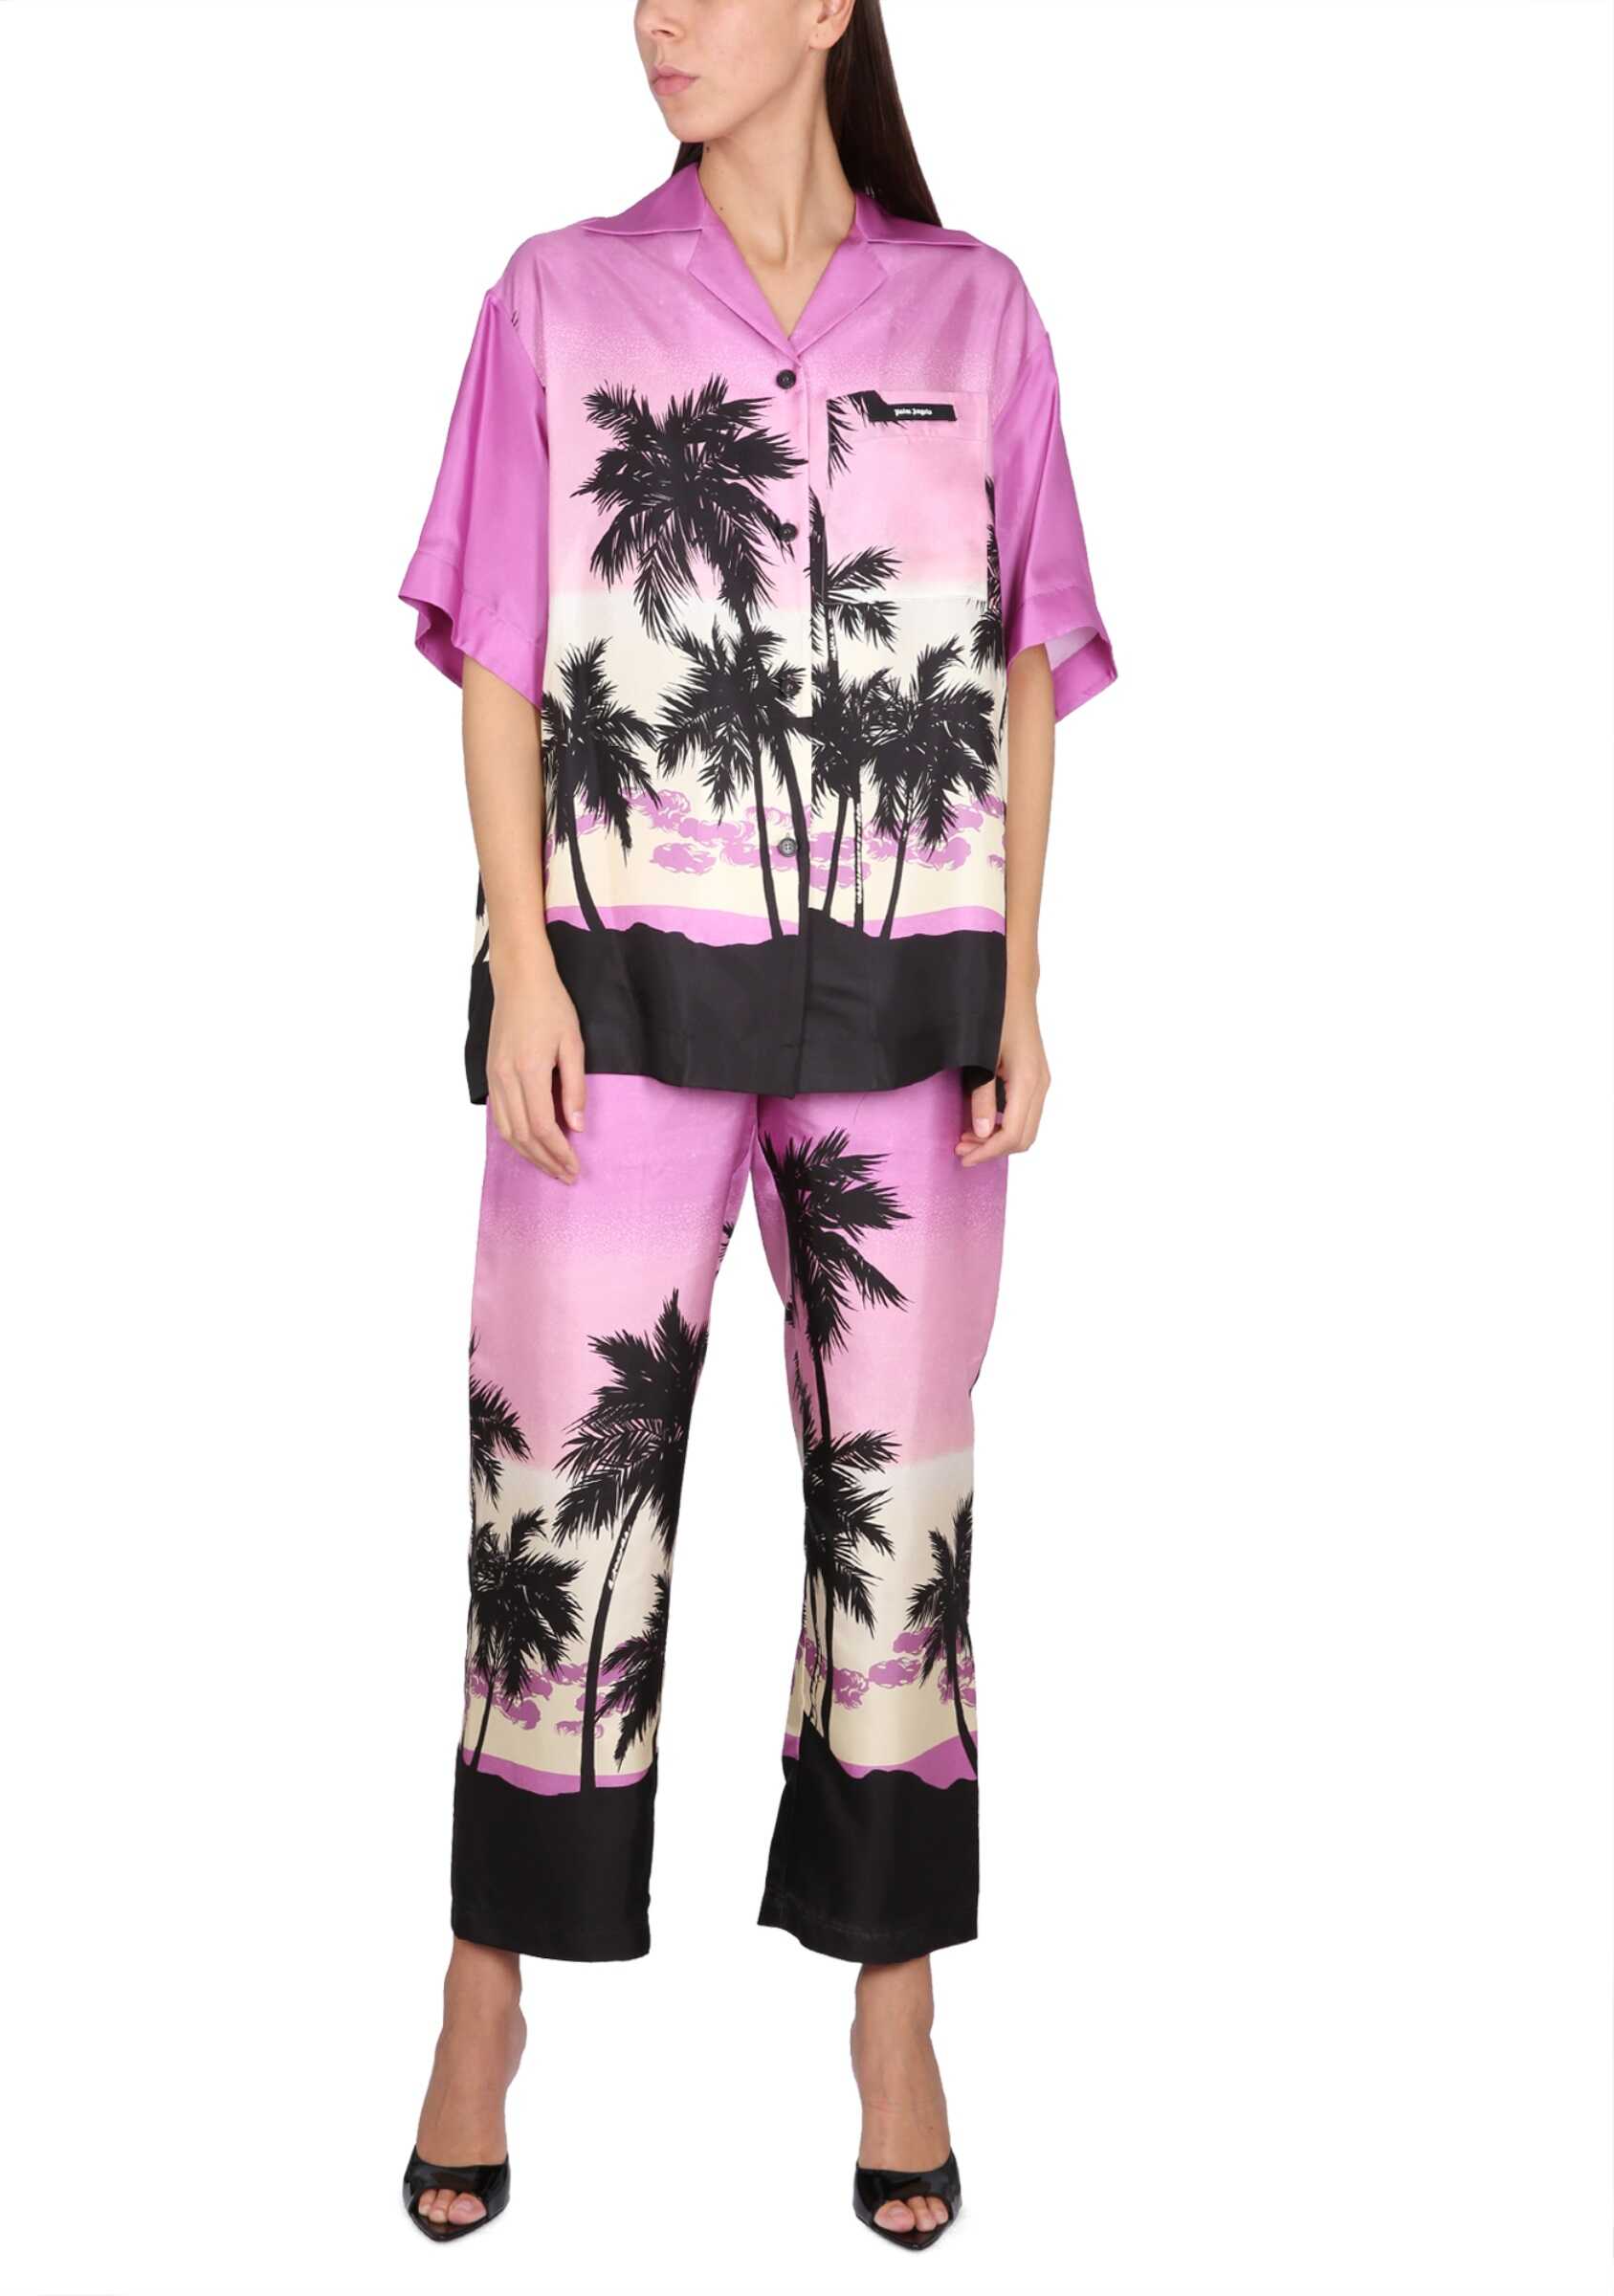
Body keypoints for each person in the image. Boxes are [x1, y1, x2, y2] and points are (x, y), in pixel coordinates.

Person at [395, 0, 1114, 2253]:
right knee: (552, 1493)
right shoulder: (560, 297)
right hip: (610, 1004)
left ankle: (897, 2011)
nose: (659, 17)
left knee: (905, 1504)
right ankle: (486, 1989)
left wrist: (1020, 974)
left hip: (907, 1007)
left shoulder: (977, 312)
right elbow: (499, 648)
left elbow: (1025, 656)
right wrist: (524, 962)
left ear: (829, 5)